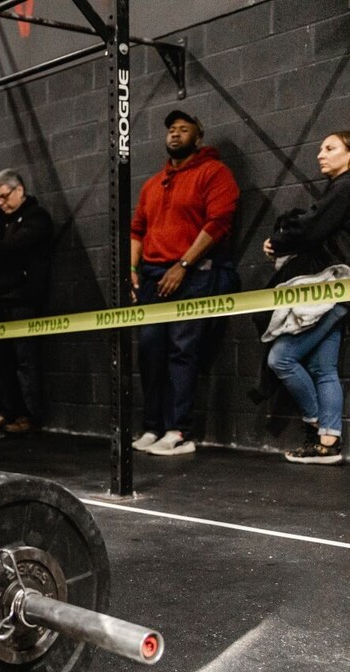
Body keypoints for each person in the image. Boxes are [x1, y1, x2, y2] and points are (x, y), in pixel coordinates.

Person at [130, 110, 240, 456]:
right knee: (149, 351)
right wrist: (131, 269)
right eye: (171, 130)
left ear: (198, 137)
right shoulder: (153, 183)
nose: (175, 134)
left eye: (184, 129)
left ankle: (179, 431)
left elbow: (218, 222)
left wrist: (182, 265)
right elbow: (137, 230)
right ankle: (152, 427)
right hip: (151, 276)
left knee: (182, 351)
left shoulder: (214, 173)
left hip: (192, 275)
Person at [259, 130, 350, 464]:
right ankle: (328, 443)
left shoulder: (344, 187)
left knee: (281, 358)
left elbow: (313, 227)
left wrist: (279, 242)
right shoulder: (338, 188)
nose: (320, 155)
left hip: (335, 284)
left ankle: (315, 425)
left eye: (330, 148)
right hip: (336, 288)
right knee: (323, 367)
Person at [0, 169, 54, 435]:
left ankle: (29, 416)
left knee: (24, 360)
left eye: (4, 197)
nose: (1, 203)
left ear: (19, 190)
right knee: (0, 360)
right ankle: (6, 412)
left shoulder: (37, 217)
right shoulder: (0, 221)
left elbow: (15, 244)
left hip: (22, 299)